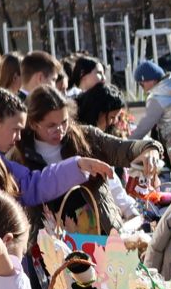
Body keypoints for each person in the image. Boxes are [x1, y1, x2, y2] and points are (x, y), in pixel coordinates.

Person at [10, 86, 156, 234]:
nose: (60, 130)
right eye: (52, 126)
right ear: (34, 124)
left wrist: (149, 149)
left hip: (102, 235)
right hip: (50, 246)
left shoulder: (86, 137)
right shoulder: (20, 155)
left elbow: (121, 149)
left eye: (64, 122)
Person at [130, 60, 171, 157]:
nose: (141, 87)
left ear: (152, 80)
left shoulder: (157, 98)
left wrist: (124, 145)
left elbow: (143, 128)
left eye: (141, 83)